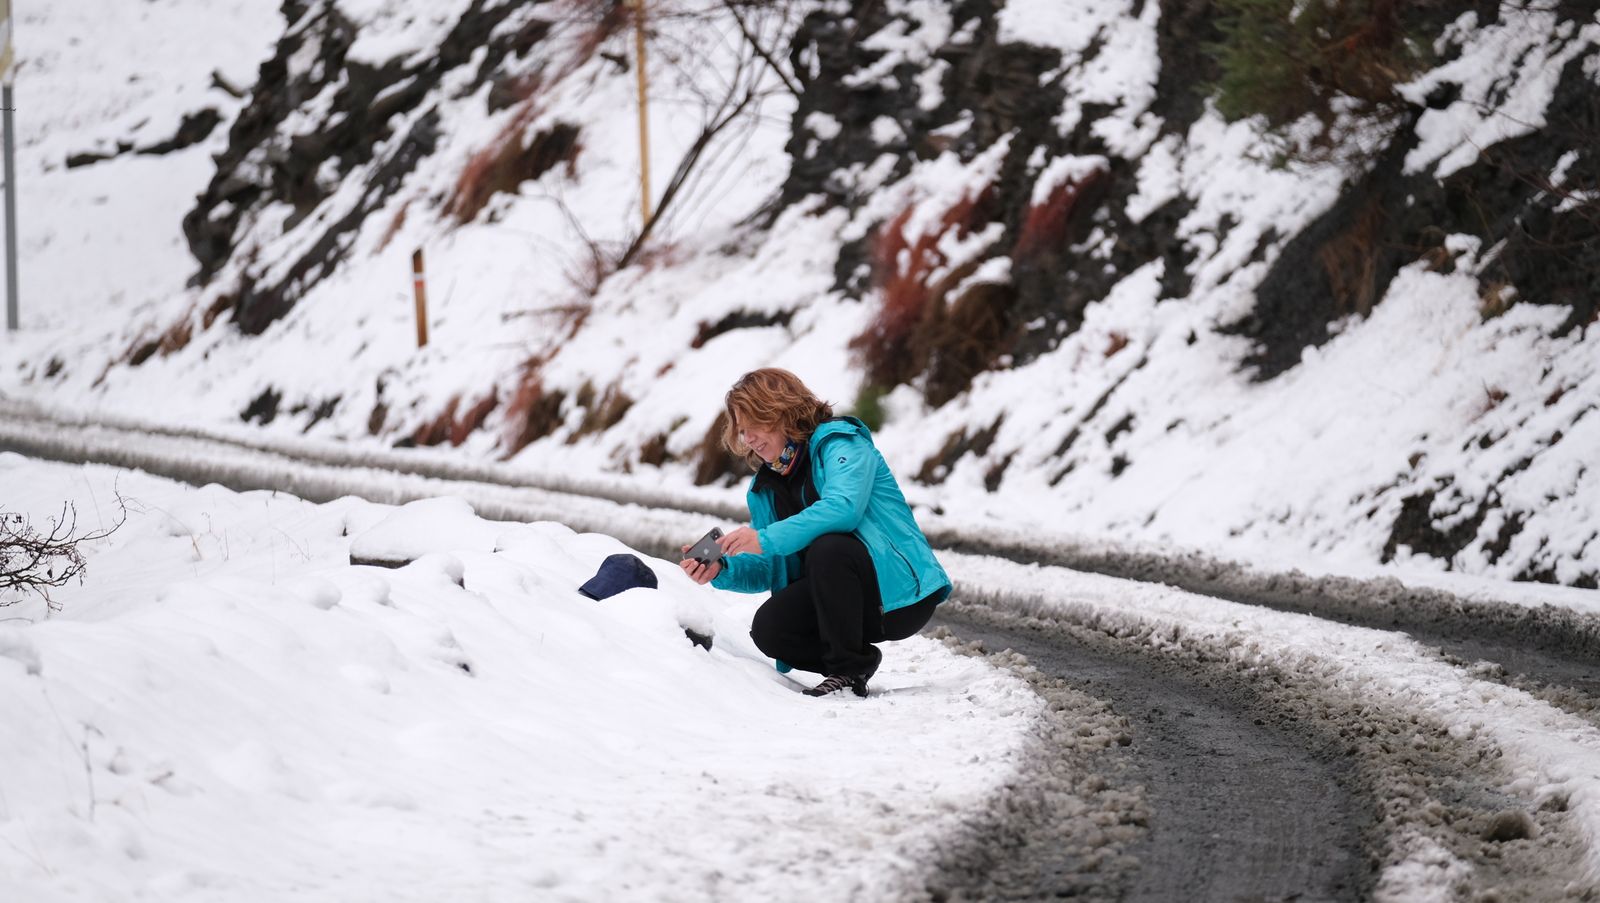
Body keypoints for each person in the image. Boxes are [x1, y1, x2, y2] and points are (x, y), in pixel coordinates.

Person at [679, 368, 951, 697]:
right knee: (771, 631)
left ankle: (847, 672)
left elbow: (844, 508)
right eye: (741, 430)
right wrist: (722, 568)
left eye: (754, 424)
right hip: (841, 603)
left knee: (830, 546)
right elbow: (771, 563)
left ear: (781, 412)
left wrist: (763, 538)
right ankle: (857, 663)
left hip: (899, 598)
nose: (747, 438)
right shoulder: (765, 487)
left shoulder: (841, 443)